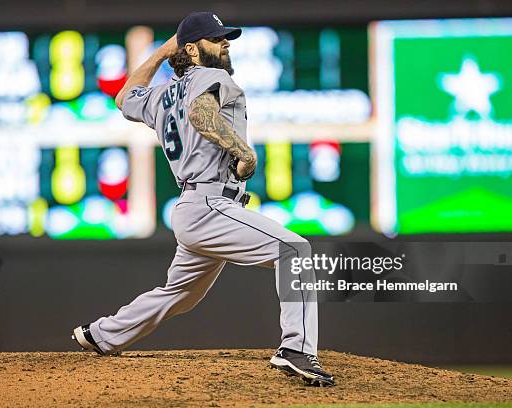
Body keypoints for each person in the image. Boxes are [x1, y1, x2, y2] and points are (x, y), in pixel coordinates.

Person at [72, 11, 334, 386]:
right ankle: (297, 350)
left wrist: (163, 52)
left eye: (225, 37)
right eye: (216, 38)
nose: (225, 43)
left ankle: (101, 334)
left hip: (193, 207)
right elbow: (200, 111)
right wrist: (244, 152)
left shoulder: (162, 95)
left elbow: (124, 97)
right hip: (212, 204)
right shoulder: (215, 77)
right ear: (193, 49)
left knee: (181, 294)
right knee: (294, 251)